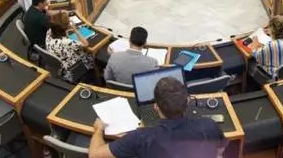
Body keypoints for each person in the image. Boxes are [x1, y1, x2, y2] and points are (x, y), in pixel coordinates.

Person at [89, 77, 225, 158]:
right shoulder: (209, 125)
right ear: (188, 101)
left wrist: (98, 130)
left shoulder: (140, 137)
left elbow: (94, 154)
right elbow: (220, 151)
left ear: (156, 107)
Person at [44, 11, 95, 83]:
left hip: (59, 66)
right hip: (71, 71)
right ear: (66, 26)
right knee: (92, 54)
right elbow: (86, 44)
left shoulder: (49, 32)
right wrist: (75, 30)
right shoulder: (67, 42)